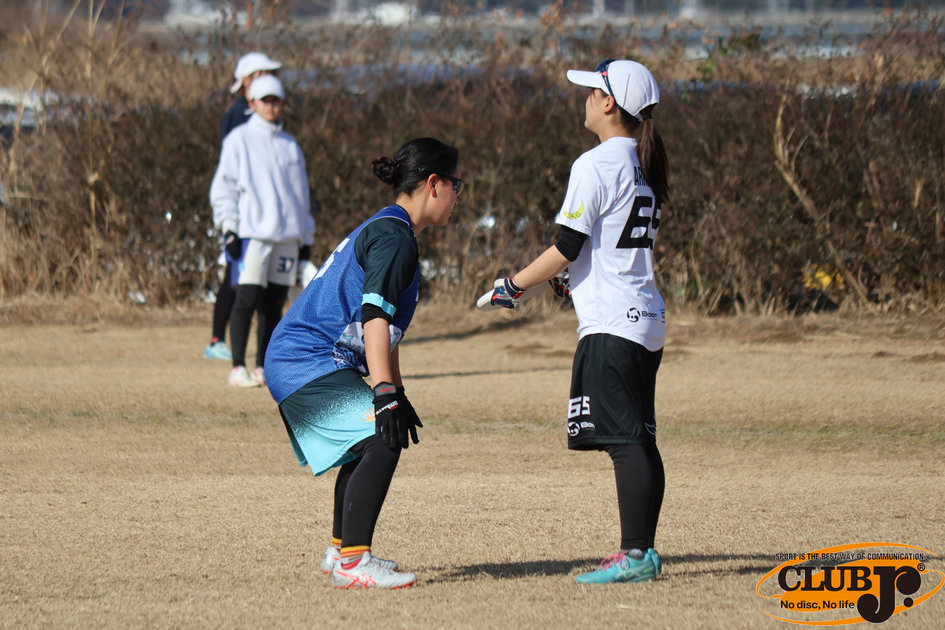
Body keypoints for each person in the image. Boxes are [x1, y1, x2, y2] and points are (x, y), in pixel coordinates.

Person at [482, 59, 669, 584]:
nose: (584, 98)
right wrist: (574, 280)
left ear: (608, 103)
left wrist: (513, 285)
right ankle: (642, 551)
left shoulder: (595, 163)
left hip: (613, 324)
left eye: (591, 91)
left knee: (626, 442)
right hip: (645, 318)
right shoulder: (645, 161)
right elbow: (603, 247)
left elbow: (567, 245)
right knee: (639, 437)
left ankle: (635, 555)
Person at [264, 138, 462, 589]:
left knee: (369, 438)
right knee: (379, 437)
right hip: (304, 359)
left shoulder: (392, 228)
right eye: (456, 184)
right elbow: (374, 317)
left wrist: (395, 389)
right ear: (433, 184)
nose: (458, 196)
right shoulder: (395, 238)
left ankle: (341, 552)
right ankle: (353, 563)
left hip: (305, 357)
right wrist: (384, 393)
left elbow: (384, 327)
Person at [210, 74, 315, 387]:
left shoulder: (291, 144)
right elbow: (224, 188)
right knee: (246, 298)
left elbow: (302, 196)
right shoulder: (239, 139)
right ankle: (237, 367)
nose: (271, 106)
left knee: (274, 304)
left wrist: (306, 236)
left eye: (276, 100)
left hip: (288, 237)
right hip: (253, 233)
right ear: (252, 103)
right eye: (265, 100)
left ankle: (263, 367)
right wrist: (229, 228)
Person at [205, 51, 283, 361]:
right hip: (245, 213)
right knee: (238, 280)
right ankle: (219, 341)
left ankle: (224, 340)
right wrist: (231, 221)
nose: (270, 78)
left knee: (242, 281)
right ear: (247, 80)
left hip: (255, 214)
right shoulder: (241, 112)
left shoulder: (255, 111)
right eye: (263, 73)